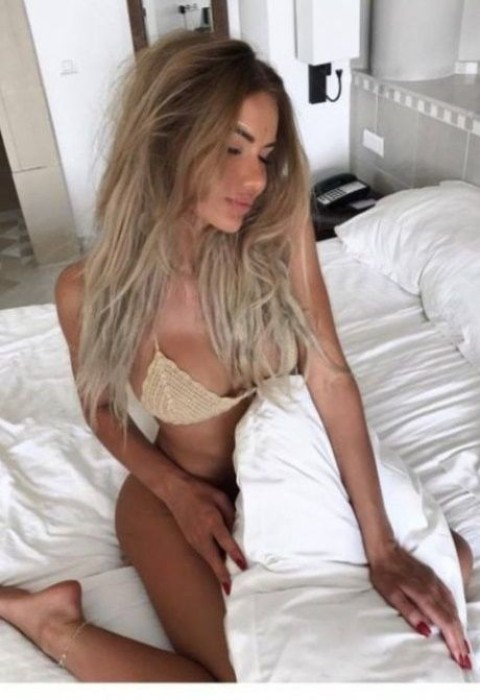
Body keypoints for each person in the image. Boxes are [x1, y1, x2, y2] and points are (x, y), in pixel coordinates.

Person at [0, 31, 473, 682]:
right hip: (182, 496)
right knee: (244, 678)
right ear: (167, 137)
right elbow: (101, 410)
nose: (255, 180)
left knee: (455, 568)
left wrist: (382, 547)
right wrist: (176, 492)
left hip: (300, 477)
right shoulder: (86, 291)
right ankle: (53, 621)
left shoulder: (278, 239)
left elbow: (330, 377)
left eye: (266, 155)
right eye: (232, 148)